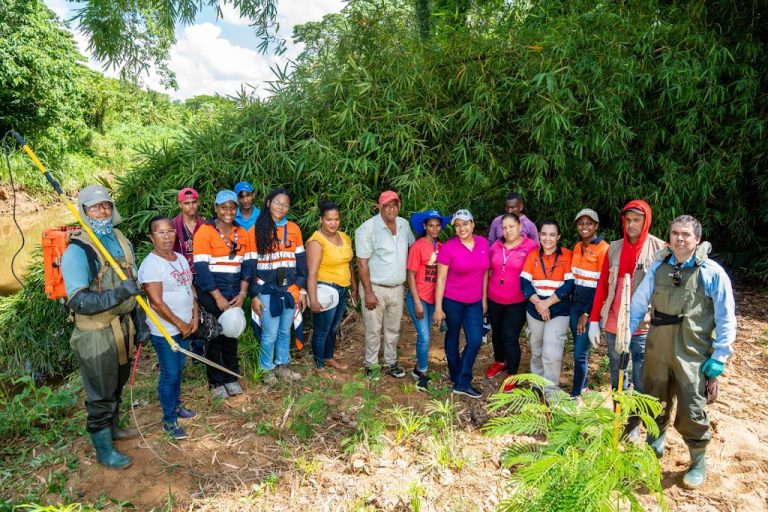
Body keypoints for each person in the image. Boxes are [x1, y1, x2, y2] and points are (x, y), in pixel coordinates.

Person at [629, 215, 736, 489]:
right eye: (675, 233)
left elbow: (726, 317)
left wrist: (720, 356)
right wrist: (626, 333)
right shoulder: (659, 267)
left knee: (692, 406)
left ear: (697, 239)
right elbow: (640, 301)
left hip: (693, 352)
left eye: (686, 234)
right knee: (654, 399)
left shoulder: (711, 272)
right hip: (658, 347)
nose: (680, 238)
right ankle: (655, 445)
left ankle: (698, 460)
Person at [61, 185, 149, 469]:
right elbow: (78, 301)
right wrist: (118, 295)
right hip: (96, 333)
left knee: (117, 383)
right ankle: (104, 450)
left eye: (107, 205)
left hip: (123, 328)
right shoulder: (78, 250)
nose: (102, 211)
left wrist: (140, 321)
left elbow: (133, 285)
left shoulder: (120, 238)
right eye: (95, 207)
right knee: (100, 394)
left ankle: (115, 428)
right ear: (84, 211)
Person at [588, 199, 666, 438]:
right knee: (618, 374)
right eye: (628, 220)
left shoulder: (660, 249)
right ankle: (620, 424)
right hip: (614, 322)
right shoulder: (614, 248)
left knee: (642, 379)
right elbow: (603, 285)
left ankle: (639, 428)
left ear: (646, 221)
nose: (632, 224)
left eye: (637, 220)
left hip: (644, 325)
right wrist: (594, 319)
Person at [138, 215, 199, 440]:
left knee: (179, 367)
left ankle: (176, 406)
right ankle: (169, 420)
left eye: (170, 231)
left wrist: (194, 316)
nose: (167, 236)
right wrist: (180, 324)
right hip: (165, 330)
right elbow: (156, 303)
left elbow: (190, 288)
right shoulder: (151, 265)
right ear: (151, 237)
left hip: (184, 326)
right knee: (170, 373)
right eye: (160, 232)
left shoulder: (180, 259)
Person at [193, 189, 251, 399]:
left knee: (232, 334)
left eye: (232, 207)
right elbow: (201, 268)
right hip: (212, 293)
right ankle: (216, 381)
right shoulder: (205, 232)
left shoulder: (242, 232)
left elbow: (248, 265)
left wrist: (243, 293)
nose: (228, 211)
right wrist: (217, 297)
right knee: (215, 334)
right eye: (224, 207)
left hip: (234, 292)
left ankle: (230, 376)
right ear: (216, 208)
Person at [248, 188, 307, 383]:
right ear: (268, 203)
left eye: (285, 204)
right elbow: (250, 266)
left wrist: (300, 287)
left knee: (284, 330)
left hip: (289, 289)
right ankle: (266, 369)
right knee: (270, 332)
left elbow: (301, 261)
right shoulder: (256, 230)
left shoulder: (294, 229)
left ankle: (283, 364)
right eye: (277, 202)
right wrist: (254, 294)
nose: (281, 207)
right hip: (266, 290)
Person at [355, 190, 415, 378]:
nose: (391, 208)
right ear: (379, 207)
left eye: (394, 204)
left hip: (397, 288)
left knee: (393, 328)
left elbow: (412, 248)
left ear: (399, 206)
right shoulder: (367, 229)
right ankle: (371, 365)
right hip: (375, 288)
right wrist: (369, 292)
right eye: (387, 205)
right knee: (373, 330)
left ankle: (391, 362)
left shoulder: (404, 225)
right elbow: (362, 263)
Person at [433, 209, 490, 398]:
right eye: (457, 225)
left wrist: (483, 299)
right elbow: (440, 279)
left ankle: (461, 379)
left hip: (474, 302)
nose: (461, 228)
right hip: (452, 300)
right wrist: (439, 308)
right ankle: (458, 378)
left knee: (474, 340)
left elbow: (484, 273)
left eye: (465, 223)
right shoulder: (449, 248)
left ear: (472, 224)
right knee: (452, 337)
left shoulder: (483, 243)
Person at [483, 213, 539, 392]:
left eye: (511, 227)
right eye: (504, 227)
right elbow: (487, 271)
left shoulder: (531, 246)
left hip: (517, 300)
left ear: (520, 227)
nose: (508, 231)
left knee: (509, 335)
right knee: (497, 333)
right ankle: (500, 361)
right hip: (494, 298)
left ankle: (513, 373)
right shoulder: (496, 246)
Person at [520, 220, 574, 398]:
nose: (548, 238)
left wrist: (547, 303)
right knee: (536, 349)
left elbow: (569, 285)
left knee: (551, 353)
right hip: (535, 309)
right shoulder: (533, 255)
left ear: (558, 236)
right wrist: (539, 304)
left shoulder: (567, 255)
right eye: (544, 234)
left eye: (552, 235)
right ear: (539, 236)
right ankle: (537, 386)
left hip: (558, 310)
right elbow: (525, 283)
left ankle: (551, 394)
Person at [306, 201, 357, 371]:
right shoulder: (316, 241)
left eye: (336, 219)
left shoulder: (344, 237)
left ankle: (328, 358)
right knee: (322, 329)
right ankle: (319, 365)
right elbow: (312, 273)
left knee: (333, 328)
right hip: (325, 289)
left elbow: (349, 263)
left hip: (342, 289)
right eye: (329, 219)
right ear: (321, 219)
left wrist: (354, 287)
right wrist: (313, 299)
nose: (333, 223)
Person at [405, 209, 451, 391]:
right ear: (424, 226)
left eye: (437, 225)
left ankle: (417, 368)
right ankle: (422, 373)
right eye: (430, 225)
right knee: (424, 336)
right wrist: (416, 302)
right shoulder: (418, 246)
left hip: (433, 299)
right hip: (419, 297)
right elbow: (410, 275)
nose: (434, 229)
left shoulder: (441, 246)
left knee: (428, 334)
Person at [569, 209, 609, 397]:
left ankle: (575, 394)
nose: (584, 227)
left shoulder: (603, 248)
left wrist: (587, 314)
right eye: (581, 223)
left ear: (596, 226)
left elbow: (602, 286)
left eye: (589, 223)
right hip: (574, 305)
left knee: (580, 354)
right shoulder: (577, 247)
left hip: (590, 309)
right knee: (577, 349)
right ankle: (583, 387)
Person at [172, 187, 205, 269]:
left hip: (202, 272)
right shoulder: (172, 225)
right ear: (180, 204)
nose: (191, 206)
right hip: (180, 273)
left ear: (198, 202)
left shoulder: (205, 225)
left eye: (194, 202)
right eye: (187, 203)